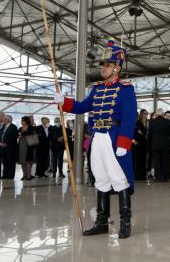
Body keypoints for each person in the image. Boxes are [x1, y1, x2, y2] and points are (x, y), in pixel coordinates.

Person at [55, 38, 138, 239]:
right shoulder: (98, 88)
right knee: (100, 179)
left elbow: (130, 118)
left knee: (119, 179)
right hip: (97, 138)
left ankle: (125, 223)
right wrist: (64, 102)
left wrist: (124, 142)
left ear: (117, 68)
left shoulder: (126, 89)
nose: (103, 68)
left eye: (107, 65)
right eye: (102, 65)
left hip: (114, 138)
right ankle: (101, 223)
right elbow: (82, 107)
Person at [148, 108, 170, 182]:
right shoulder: (167, 121)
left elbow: (149, 134)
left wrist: (149, 143)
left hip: (155, 144)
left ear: (157, 114)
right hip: (165, 144)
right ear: (162, 114)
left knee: (157, 161)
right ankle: (165, 176)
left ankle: (158, 176)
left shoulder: (152, 122)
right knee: (165, 160)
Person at [18, 116, 37, 181]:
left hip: (29, 145)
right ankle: (24, 175)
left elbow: (31, 134)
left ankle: (29, 175)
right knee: (22, 161)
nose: (22, 122)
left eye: (23, 120)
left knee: (28, 161)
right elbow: (18, 134)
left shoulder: (31, 127)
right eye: (21, 121)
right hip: (21, 145)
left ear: (26, 121)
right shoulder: (20, 128)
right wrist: (21, 135)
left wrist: (23, 134)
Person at [132, 109, 149, 181]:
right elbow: (135, 131)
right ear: (141, 114)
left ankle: (143, 175)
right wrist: (133, 139)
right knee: (138, 159)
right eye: (145, 113)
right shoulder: (138, 123)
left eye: (147, 114)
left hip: (144, 143)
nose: (146, 115)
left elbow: (145, 133)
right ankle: (138, 175)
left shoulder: (147, 122)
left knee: (143, 159)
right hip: (138, 143)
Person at [1, 115, 18, 179]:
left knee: (11, 162)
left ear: (8, 120)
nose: (3, 120)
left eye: (4, 119)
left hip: (11, 148)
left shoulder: (13, 127)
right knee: (4, 162)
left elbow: (14, 137)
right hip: (3, 147)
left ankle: (10, 175)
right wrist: (0, 142)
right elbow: (0, 134)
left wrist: (6, 143)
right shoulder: (3, 126)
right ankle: (5, 175)